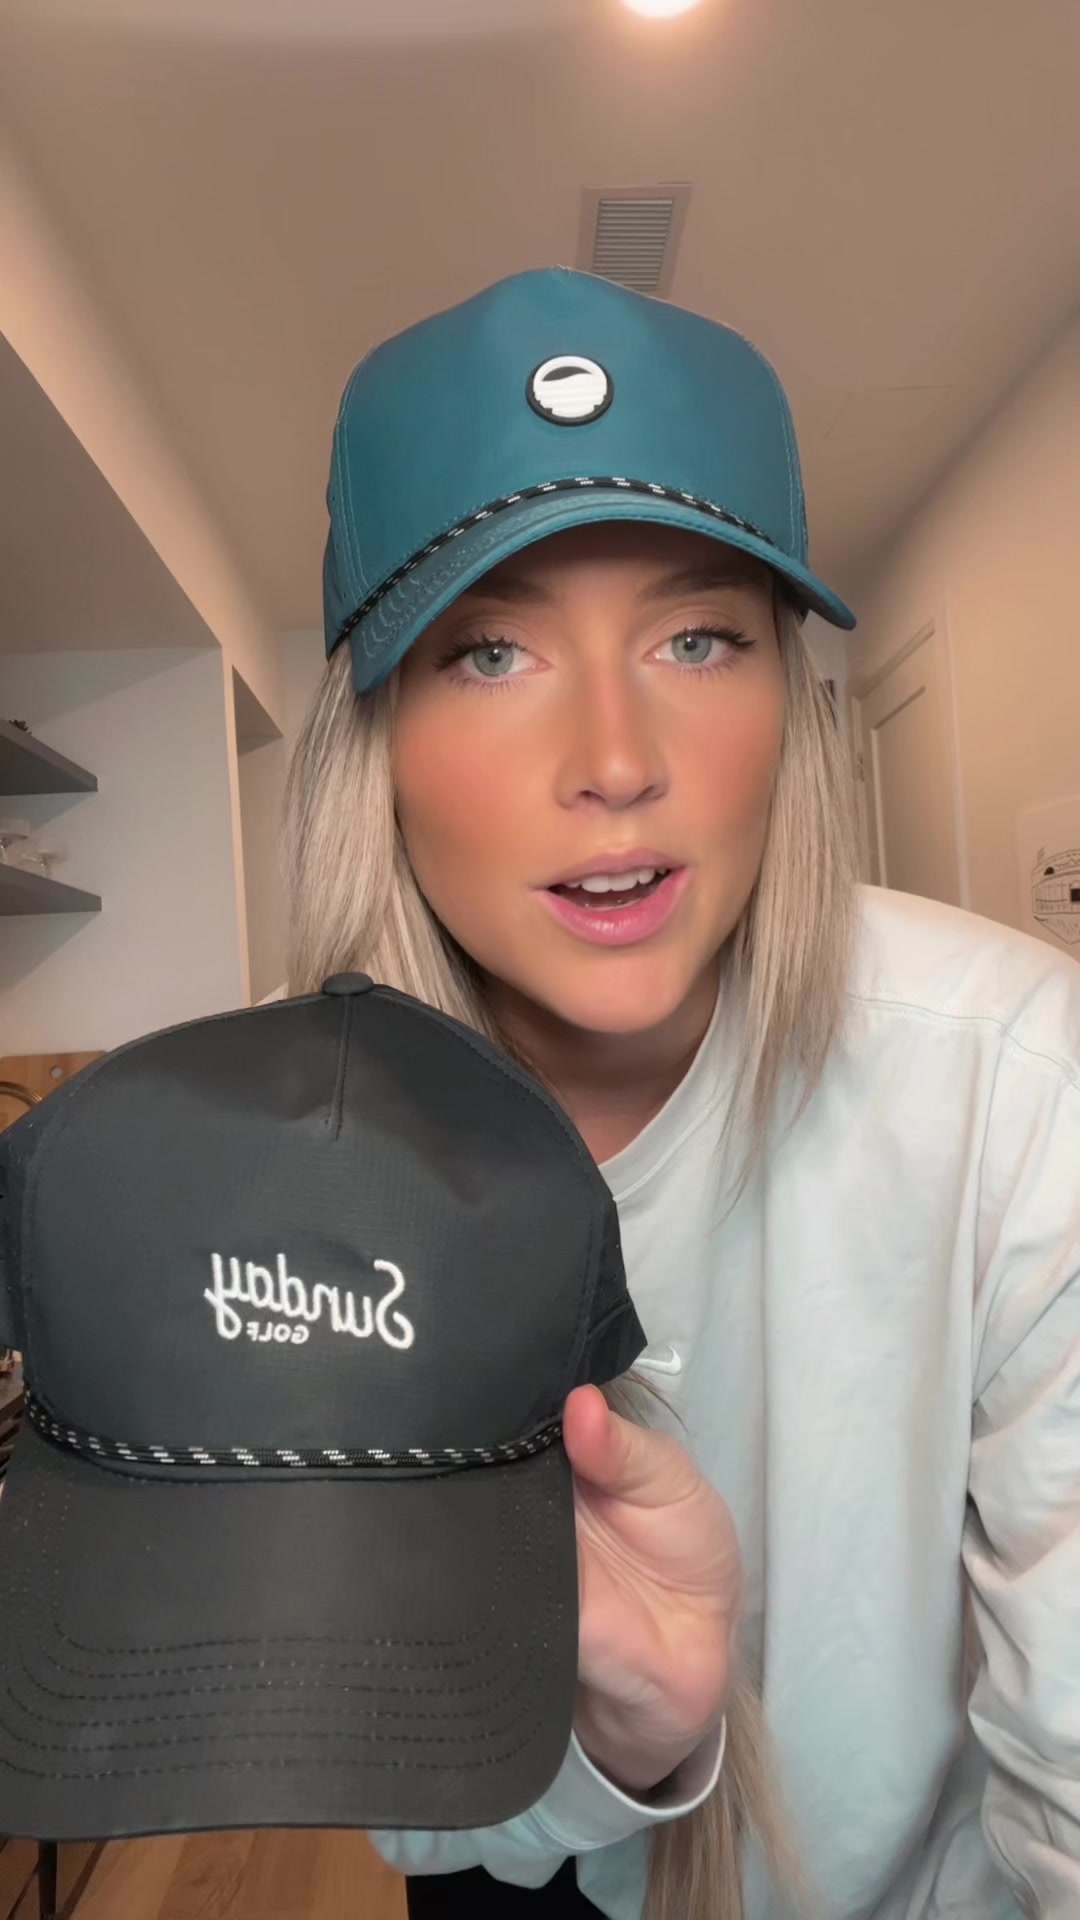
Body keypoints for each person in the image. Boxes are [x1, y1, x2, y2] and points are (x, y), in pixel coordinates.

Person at [281, 268, 1080, 1919]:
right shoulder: (311, 1183)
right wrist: (623, 1742)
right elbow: (415, 1811)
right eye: (490, 650)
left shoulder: (1019, 1080)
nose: (617, 759)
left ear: (792, 701)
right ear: (377, 740)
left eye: (699, 638)